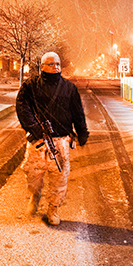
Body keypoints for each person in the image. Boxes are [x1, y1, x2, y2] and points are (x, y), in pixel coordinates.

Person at [16, 52, 89, 225]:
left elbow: (77, 112)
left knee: (59, 178)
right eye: (51, 64)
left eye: (57, 64)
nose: (55, 67)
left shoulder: (69, 88)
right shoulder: (31, 86)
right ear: (42, 66)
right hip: (38, 141)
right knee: (33, 175)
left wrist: (82, 132)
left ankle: (53, 209)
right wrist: (33, 127)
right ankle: (35, 195)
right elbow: (22, 107)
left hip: (61, 141)